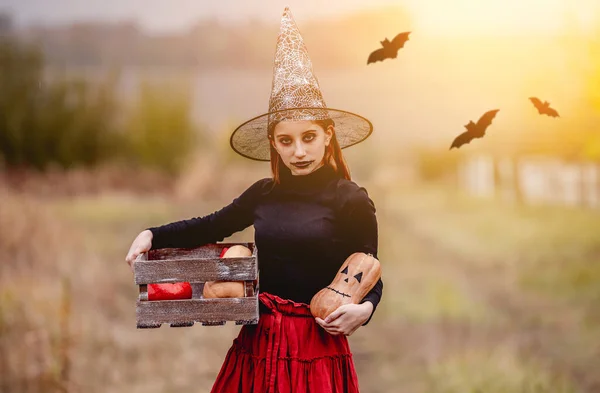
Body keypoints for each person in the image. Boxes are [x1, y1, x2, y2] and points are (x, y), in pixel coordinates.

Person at [125, 7, 383, 393]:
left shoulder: (350, 200)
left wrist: (363, 310)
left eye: (309, 137)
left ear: (328, 135)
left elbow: (369, 272)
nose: (298, 151)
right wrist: (151, 234)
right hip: (260, 342)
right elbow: (209, 225)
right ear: (274, 145)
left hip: (316, 348)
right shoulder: (263, 194)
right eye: (286, 141)